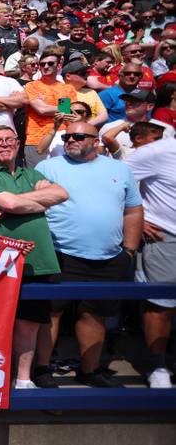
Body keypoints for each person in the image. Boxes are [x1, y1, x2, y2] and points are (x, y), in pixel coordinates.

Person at [34, 122, 144, 387]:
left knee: (95, 314)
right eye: (67, 136)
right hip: (60, 253)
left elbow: (133, 210)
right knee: (50, 313)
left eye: (78, 136)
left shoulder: (120, 169)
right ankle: (41, 369)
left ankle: (90, 370)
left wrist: (129, 251)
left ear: (96, 141)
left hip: (108, 257)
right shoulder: (47, 167)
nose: (71, 140)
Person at [0, 125, 68, 388]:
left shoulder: (32, 173)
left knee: (30, 323)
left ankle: (23, 379)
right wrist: (37, 202)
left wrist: (16, 202)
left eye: (9, 139)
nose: (4, 144)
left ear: (17, 144)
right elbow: (11, 204)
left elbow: (61, 194)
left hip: (37, 262)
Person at [126, 136, 176, 388]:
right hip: (166, 237)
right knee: (161, 306)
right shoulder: (157, 151)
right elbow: (114, 181)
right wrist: (137, 220)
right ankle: (158, 366)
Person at [23, 51, 77, 168]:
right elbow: (42, 110)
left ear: (59, 66)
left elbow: (71, 112)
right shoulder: (31, 86)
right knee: (38, 176)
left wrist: (54, 108)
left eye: (50, 63)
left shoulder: (67, 88)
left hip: (62, 138)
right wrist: (63, 108)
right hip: (36, 139)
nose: (45, 66)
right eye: (42, 64)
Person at [100, 89, 174, 159]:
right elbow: (100, 154)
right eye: (127, 101)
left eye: (135, 101)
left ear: (150, 106)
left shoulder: (165, 129)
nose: (129, 103)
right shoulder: (110, 128)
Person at [61, 60, 108, 127]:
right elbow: (64, 116)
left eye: (87, 72)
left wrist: (87, 125)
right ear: (68, 76)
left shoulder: (91, 92)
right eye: (83, 73)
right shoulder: (61, 92)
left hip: (91, 129)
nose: (86, 75)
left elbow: (104, 115)